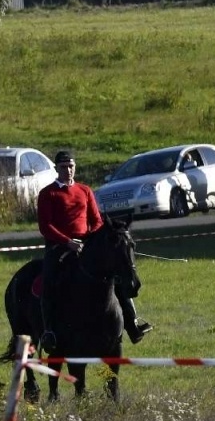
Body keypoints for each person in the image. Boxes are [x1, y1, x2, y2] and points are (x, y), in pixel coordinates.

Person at [36, 151, 151, 353]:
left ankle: (132, 323)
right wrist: (68, 241)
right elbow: (46, 226)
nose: (68, 170)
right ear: (57, 169)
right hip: (59, 247)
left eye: (71, 166)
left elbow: (96, 219)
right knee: (49, 280)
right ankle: (49, 331)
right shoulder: (48, 194)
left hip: (86, 245)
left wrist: (91, 237)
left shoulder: (85, 190)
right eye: (64, 167)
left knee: (114, 274)